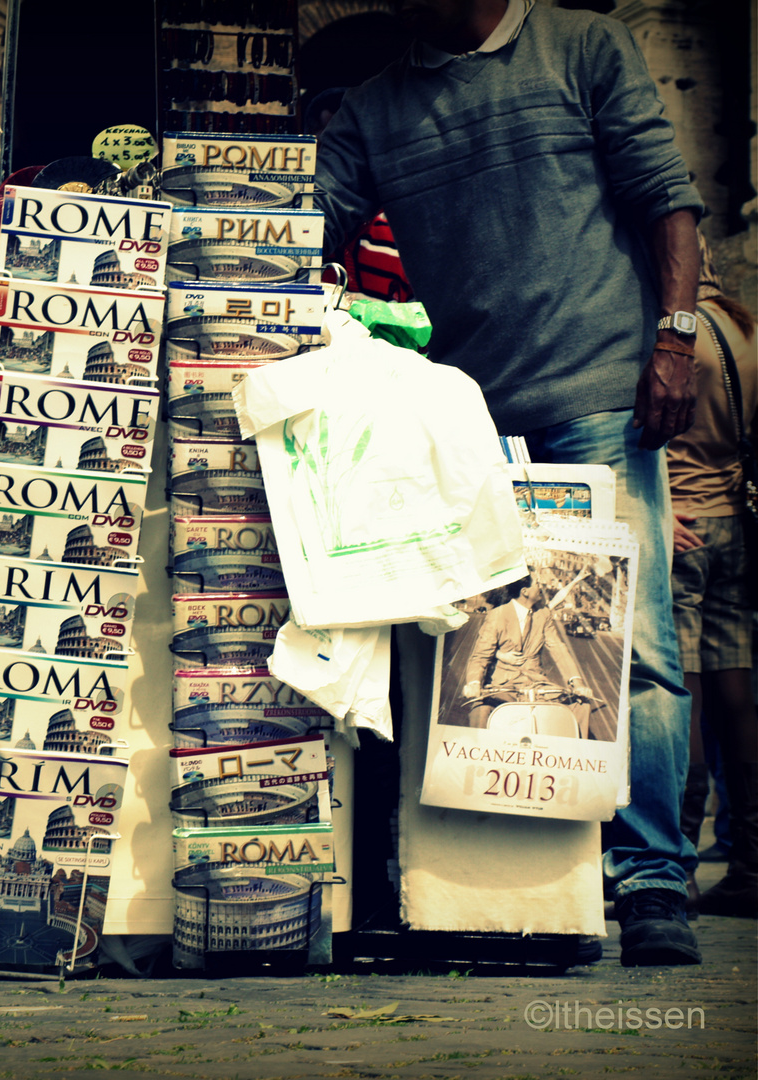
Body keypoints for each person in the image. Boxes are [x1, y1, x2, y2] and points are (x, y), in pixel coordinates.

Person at [314, 0, 703, 965]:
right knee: (487, 645)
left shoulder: (582, 46)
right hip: (466, 415)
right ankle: (522, 886)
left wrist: (675, 339)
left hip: (599, 391)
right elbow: (307, 224)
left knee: (634, 643)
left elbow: (667, 196)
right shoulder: (372, 108)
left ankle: (653, 882)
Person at [669, 238, 757, 918]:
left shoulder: (675, 335)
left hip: (682, 525)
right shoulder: (741, 326)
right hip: (732, 524)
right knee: (736, 693)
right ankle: (749, 862)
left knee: (682, 694)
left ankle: (678, 865)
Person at [462, 575, 594, 736]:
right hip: (503, 688)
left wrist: (577, 682)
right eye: (538, 583)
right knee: (480, 711)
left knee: (581, 705)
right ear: (525, 591)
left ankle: (573, 755)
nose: (542, 586)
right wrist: (474, 683)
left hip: (537, 686)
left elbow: (558, 649)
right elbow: (481, 656)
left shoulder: (543, 614)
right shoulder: (497, 615)